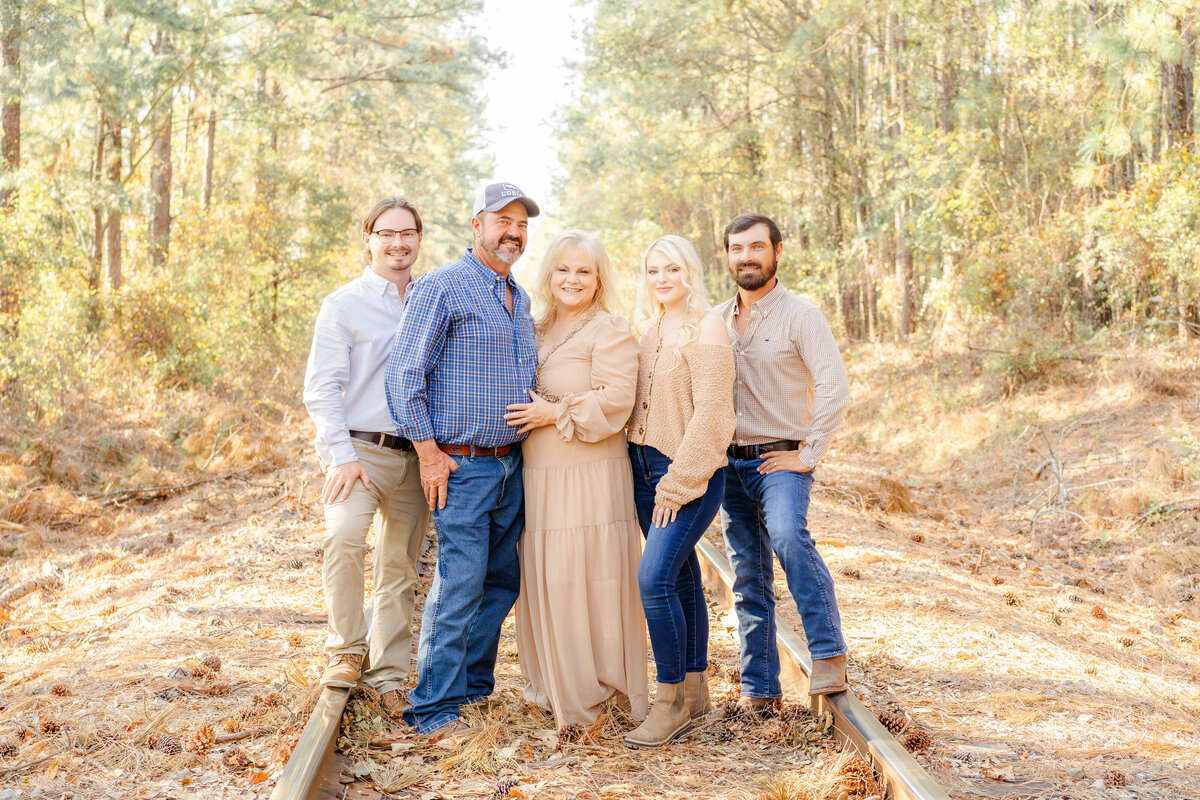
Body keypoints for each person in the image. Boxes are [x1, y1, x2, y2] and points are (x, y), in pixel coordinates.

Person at [385, 182, 540, 741]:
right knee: (459, 584)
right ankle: (432, 708)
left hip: (509, 465)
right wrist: (428, 453)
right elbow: (403, 375)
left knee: (500, 582)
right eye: (502, 221)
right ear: (476, 225)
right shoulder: (442, 287)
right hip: (462, 464)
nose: (513, 232)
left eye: (521, 224)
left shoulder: (517, 297)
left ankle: (472, 689)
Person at [503, 229, 648, 728]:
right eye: (563, 269)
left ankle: (600, 688)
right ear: (548, 276)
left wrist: (552, 413)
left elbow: (616, 401)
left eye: (584, 270)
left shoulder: (610, 329)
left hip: (591, 472)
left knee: (593, 576)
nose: (572, 279)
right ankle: (557, 683)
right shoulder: (533, 327)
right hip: (540, 474)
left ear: (599, 278)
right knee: (550, 574)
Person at [715, 213, 852, 709]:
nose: (746, 257)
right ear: (727, 256)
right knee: (747, 573)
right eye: (736, 249)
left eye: (756, 247)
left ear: (776, 251)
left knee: (790, 537)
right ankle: (759, 689)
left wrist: (807, 453)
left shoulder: (801, 315)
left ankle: (829, 652)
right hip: (729, 465)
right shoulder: (714, 320)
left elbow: (835, 387)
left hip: (781, 462)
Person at [302, 196, 430, 718]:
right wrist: (341, 455)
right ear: (368, 239)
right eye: (387, 233)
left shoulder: (432, 298)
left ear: (420, 239)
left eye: (408, 233)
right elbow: (322, 387)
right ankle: (346, 651)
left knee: (400, 565)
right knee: (344, 536)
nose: (398, 243)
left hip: (419, 453)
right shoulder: (344, 303)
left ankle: (390, 675)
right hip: (360, 450)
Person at [623, 235, 736, 748]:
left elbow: (715, 414)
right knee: (684, 576)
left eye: (671, 268)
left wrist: (679, 482)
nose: (662, 278)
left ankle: (668, 701)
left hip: (687, 473)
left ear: (689, 270)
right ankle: (694, 692)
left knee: (654, 580)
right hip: (642, 470)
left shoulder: (707, 325)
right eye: (652, 271)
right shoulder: (646, 330)